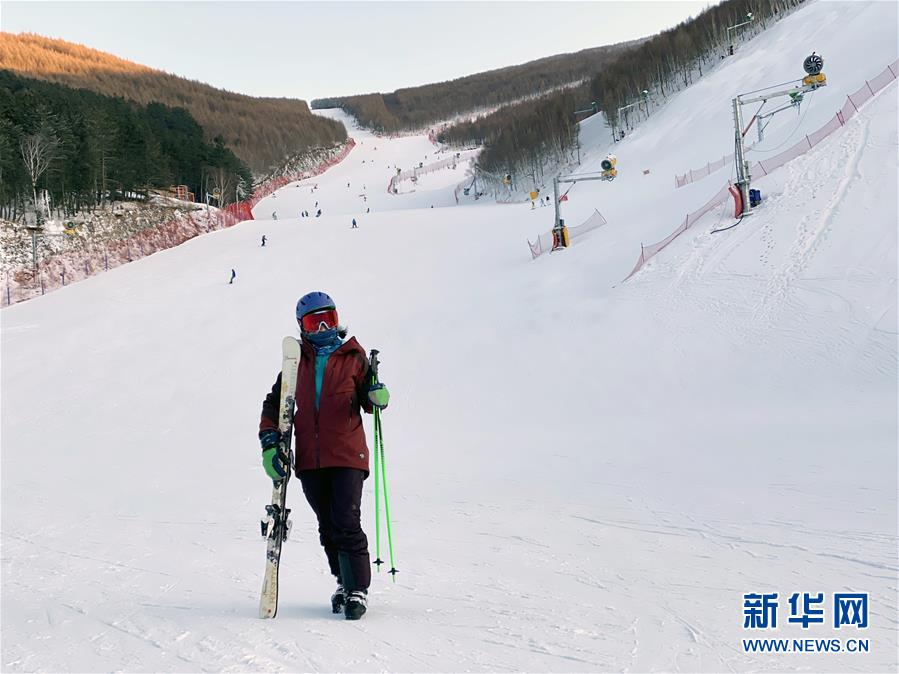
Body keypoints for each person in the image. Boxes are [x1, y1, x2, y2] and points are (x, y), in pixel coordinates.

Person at [257, 292, 390, 621]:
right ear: (301, 327)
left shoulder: (354, 357)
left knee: (346, 521)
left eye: (327, 319)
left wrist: (376, 395)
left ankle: (358, 586)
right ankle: (343, 582)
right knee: (327, 525)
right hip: (311, 460)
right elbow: (275, 404)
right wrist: (270, 442)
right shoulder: (295, 362)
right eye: (313, 322)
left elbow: (369, 402)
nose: (321, 328)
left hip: (347, 454)